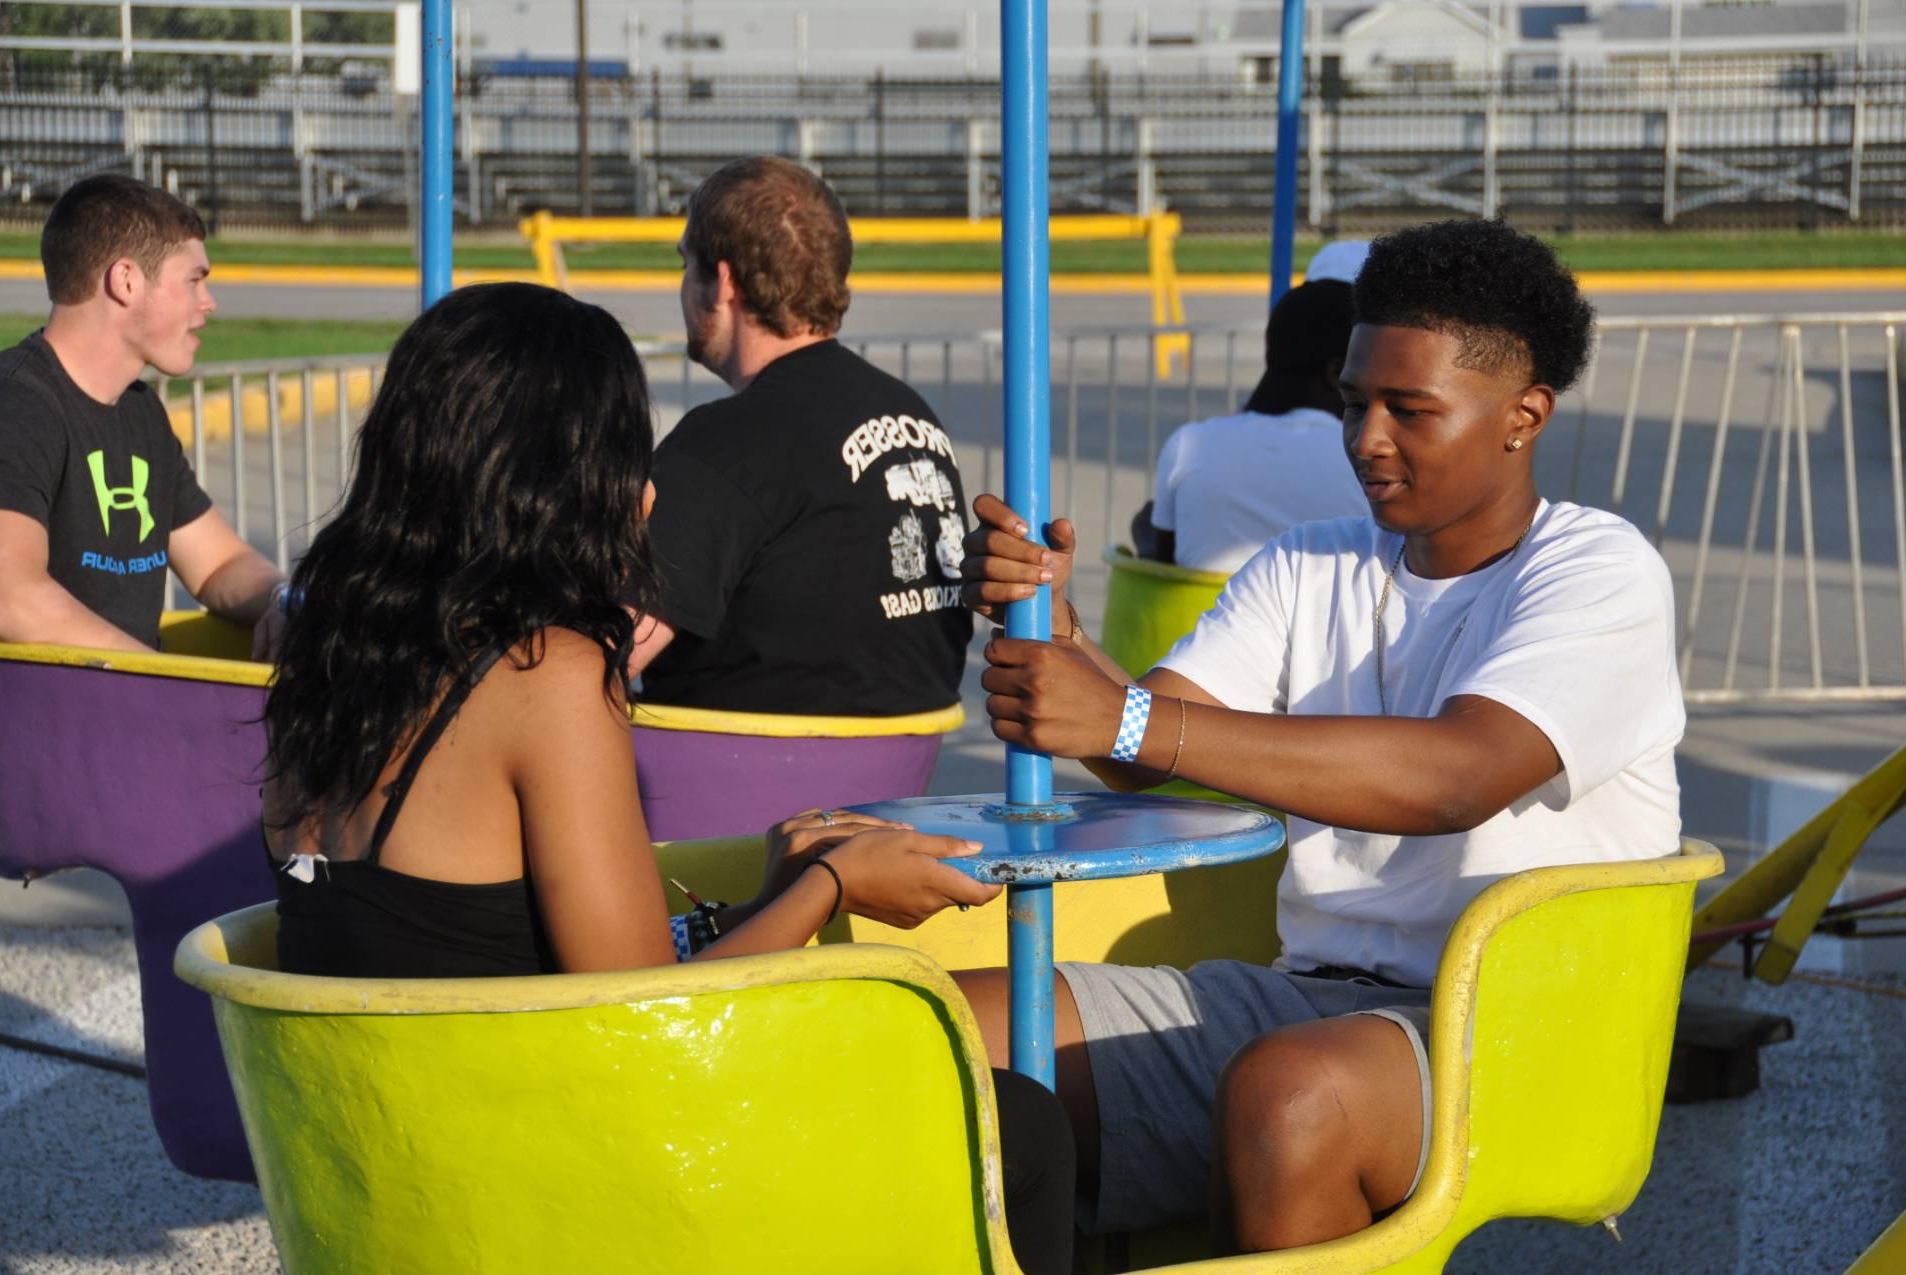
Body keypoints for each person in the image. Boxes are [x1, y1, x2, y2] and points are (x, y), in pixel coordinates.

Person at [259, 281, 1073, 1274]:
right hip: (573, 1181)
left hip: (398, 1169)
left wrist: (764, 896)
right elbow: (641, 1011)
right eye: (622, 459)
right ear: (549, 479)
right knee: (1019, 1125)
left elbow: (444, 930)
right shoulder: (546, 676)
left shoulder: (321, 661)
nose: (645, 496)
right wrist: (831, 889)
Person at [955, 219, 1681, 1253]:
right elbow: (1138, 747)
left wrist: (1122, 713)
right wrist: (1060, 635)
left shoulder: (1599, 571)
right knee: (940, 1035)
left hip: (1513, 1029)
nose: (1364, 439)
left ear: (1524, 416)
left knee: (1292, 1095)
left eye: (1408, 410)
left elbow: (1458, 777)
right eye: (1353, 403)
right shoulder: (1309, 562)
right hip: (1302, 998)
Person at [627, 156, 973, 716]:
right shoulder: (913, 417)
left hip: (727, 781)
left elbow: (611, 650)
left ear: (722, 281)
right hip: (895, 775)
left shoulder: (724, 444)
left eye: (685, 263)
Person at [0, 174, 284, 654]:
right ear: (126, 280)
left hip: (125, 715)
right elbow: (8, 598)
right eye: (195, 281)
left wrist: (287, 600)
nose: (208, 304)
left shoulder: (141, 409)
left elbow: (218, 565)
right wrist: (155, 686)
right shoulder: (9, 405)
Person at [1136, 275, 1364, 572]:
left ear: (1270, 346)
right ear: (1338, 373)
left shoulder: (1188, 446)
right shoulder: (1365, 459)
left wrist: (1144, 534)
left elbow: (1164, 566)